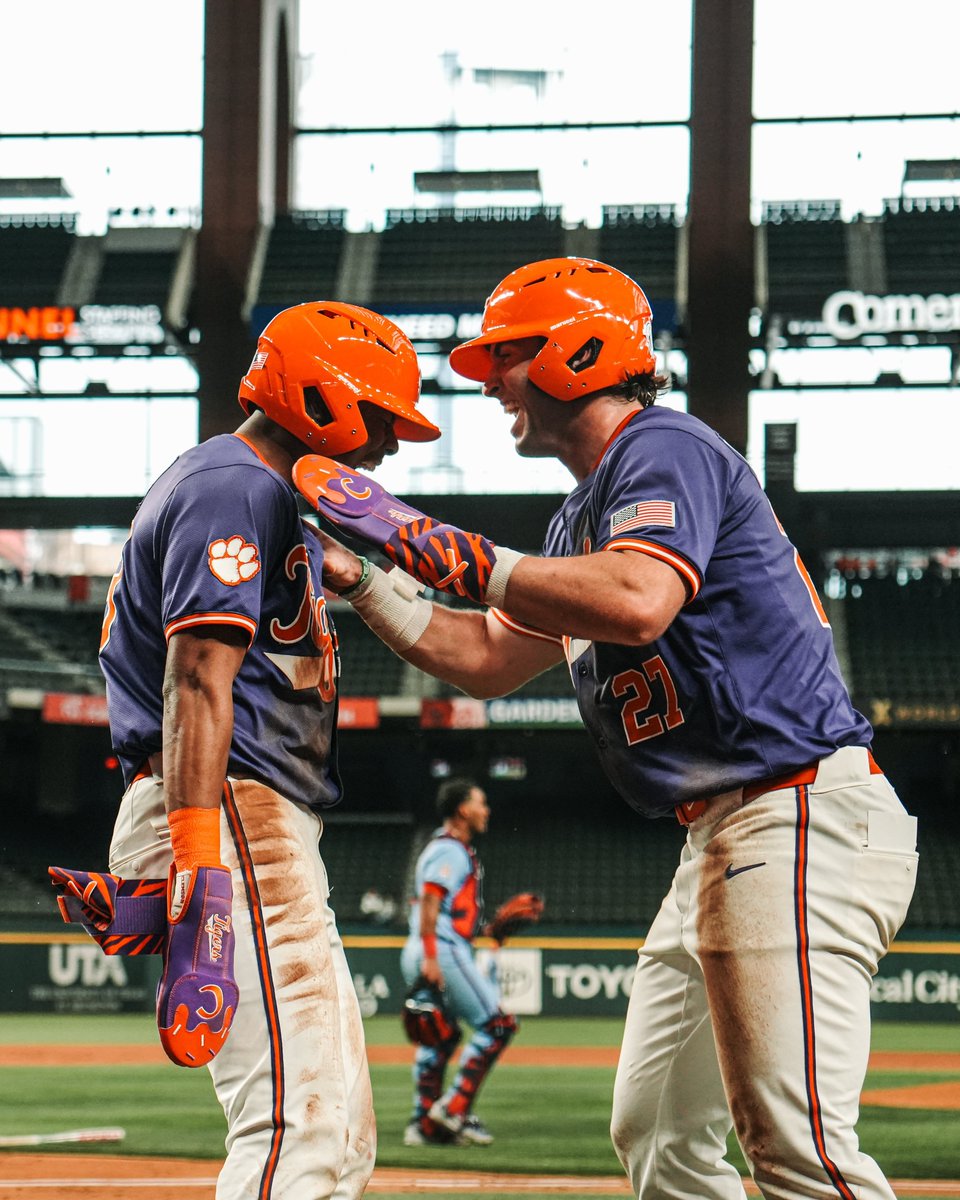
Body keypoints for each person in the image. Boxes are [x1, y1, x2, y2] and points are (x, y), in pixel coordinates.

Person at [297, 259, 919, 1200]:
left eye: (505, 357)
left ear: (578, 353)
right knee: (659, 1133)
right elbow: (485, 657)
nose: (490, 382)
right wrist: (366, 579)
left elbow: (637, 598)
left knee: (799, 1148)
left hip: (792, 815)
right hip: (730, 833)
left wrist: (448, 549)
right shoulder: (580, 515)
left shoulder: (661, 445)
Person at [96, 301, 440, 1199]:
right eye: (381, 416)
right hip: (229, 806)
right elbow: (197, 678)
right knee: (298, 1128)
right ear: (321, 396)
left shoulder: (255, 490)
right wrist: (197, 863)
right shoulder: (233, 484)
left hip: (245, 809)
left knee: (339, 1134)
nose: (389, 444)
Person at [400, 776, 515, 1148]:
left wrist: (489, 931)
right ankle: (453, 1110)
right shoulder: (450, 850)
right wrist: (433, 957)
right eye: (481, 803)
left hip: (429, 946)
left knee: (441, 1036)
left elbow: (447, 908)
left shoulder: (444, 847)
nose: (486, 810)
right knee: (497, 1025)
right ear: (464, 810)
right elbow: (431, 903)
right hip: (441, 950)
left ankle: (424, 1124)